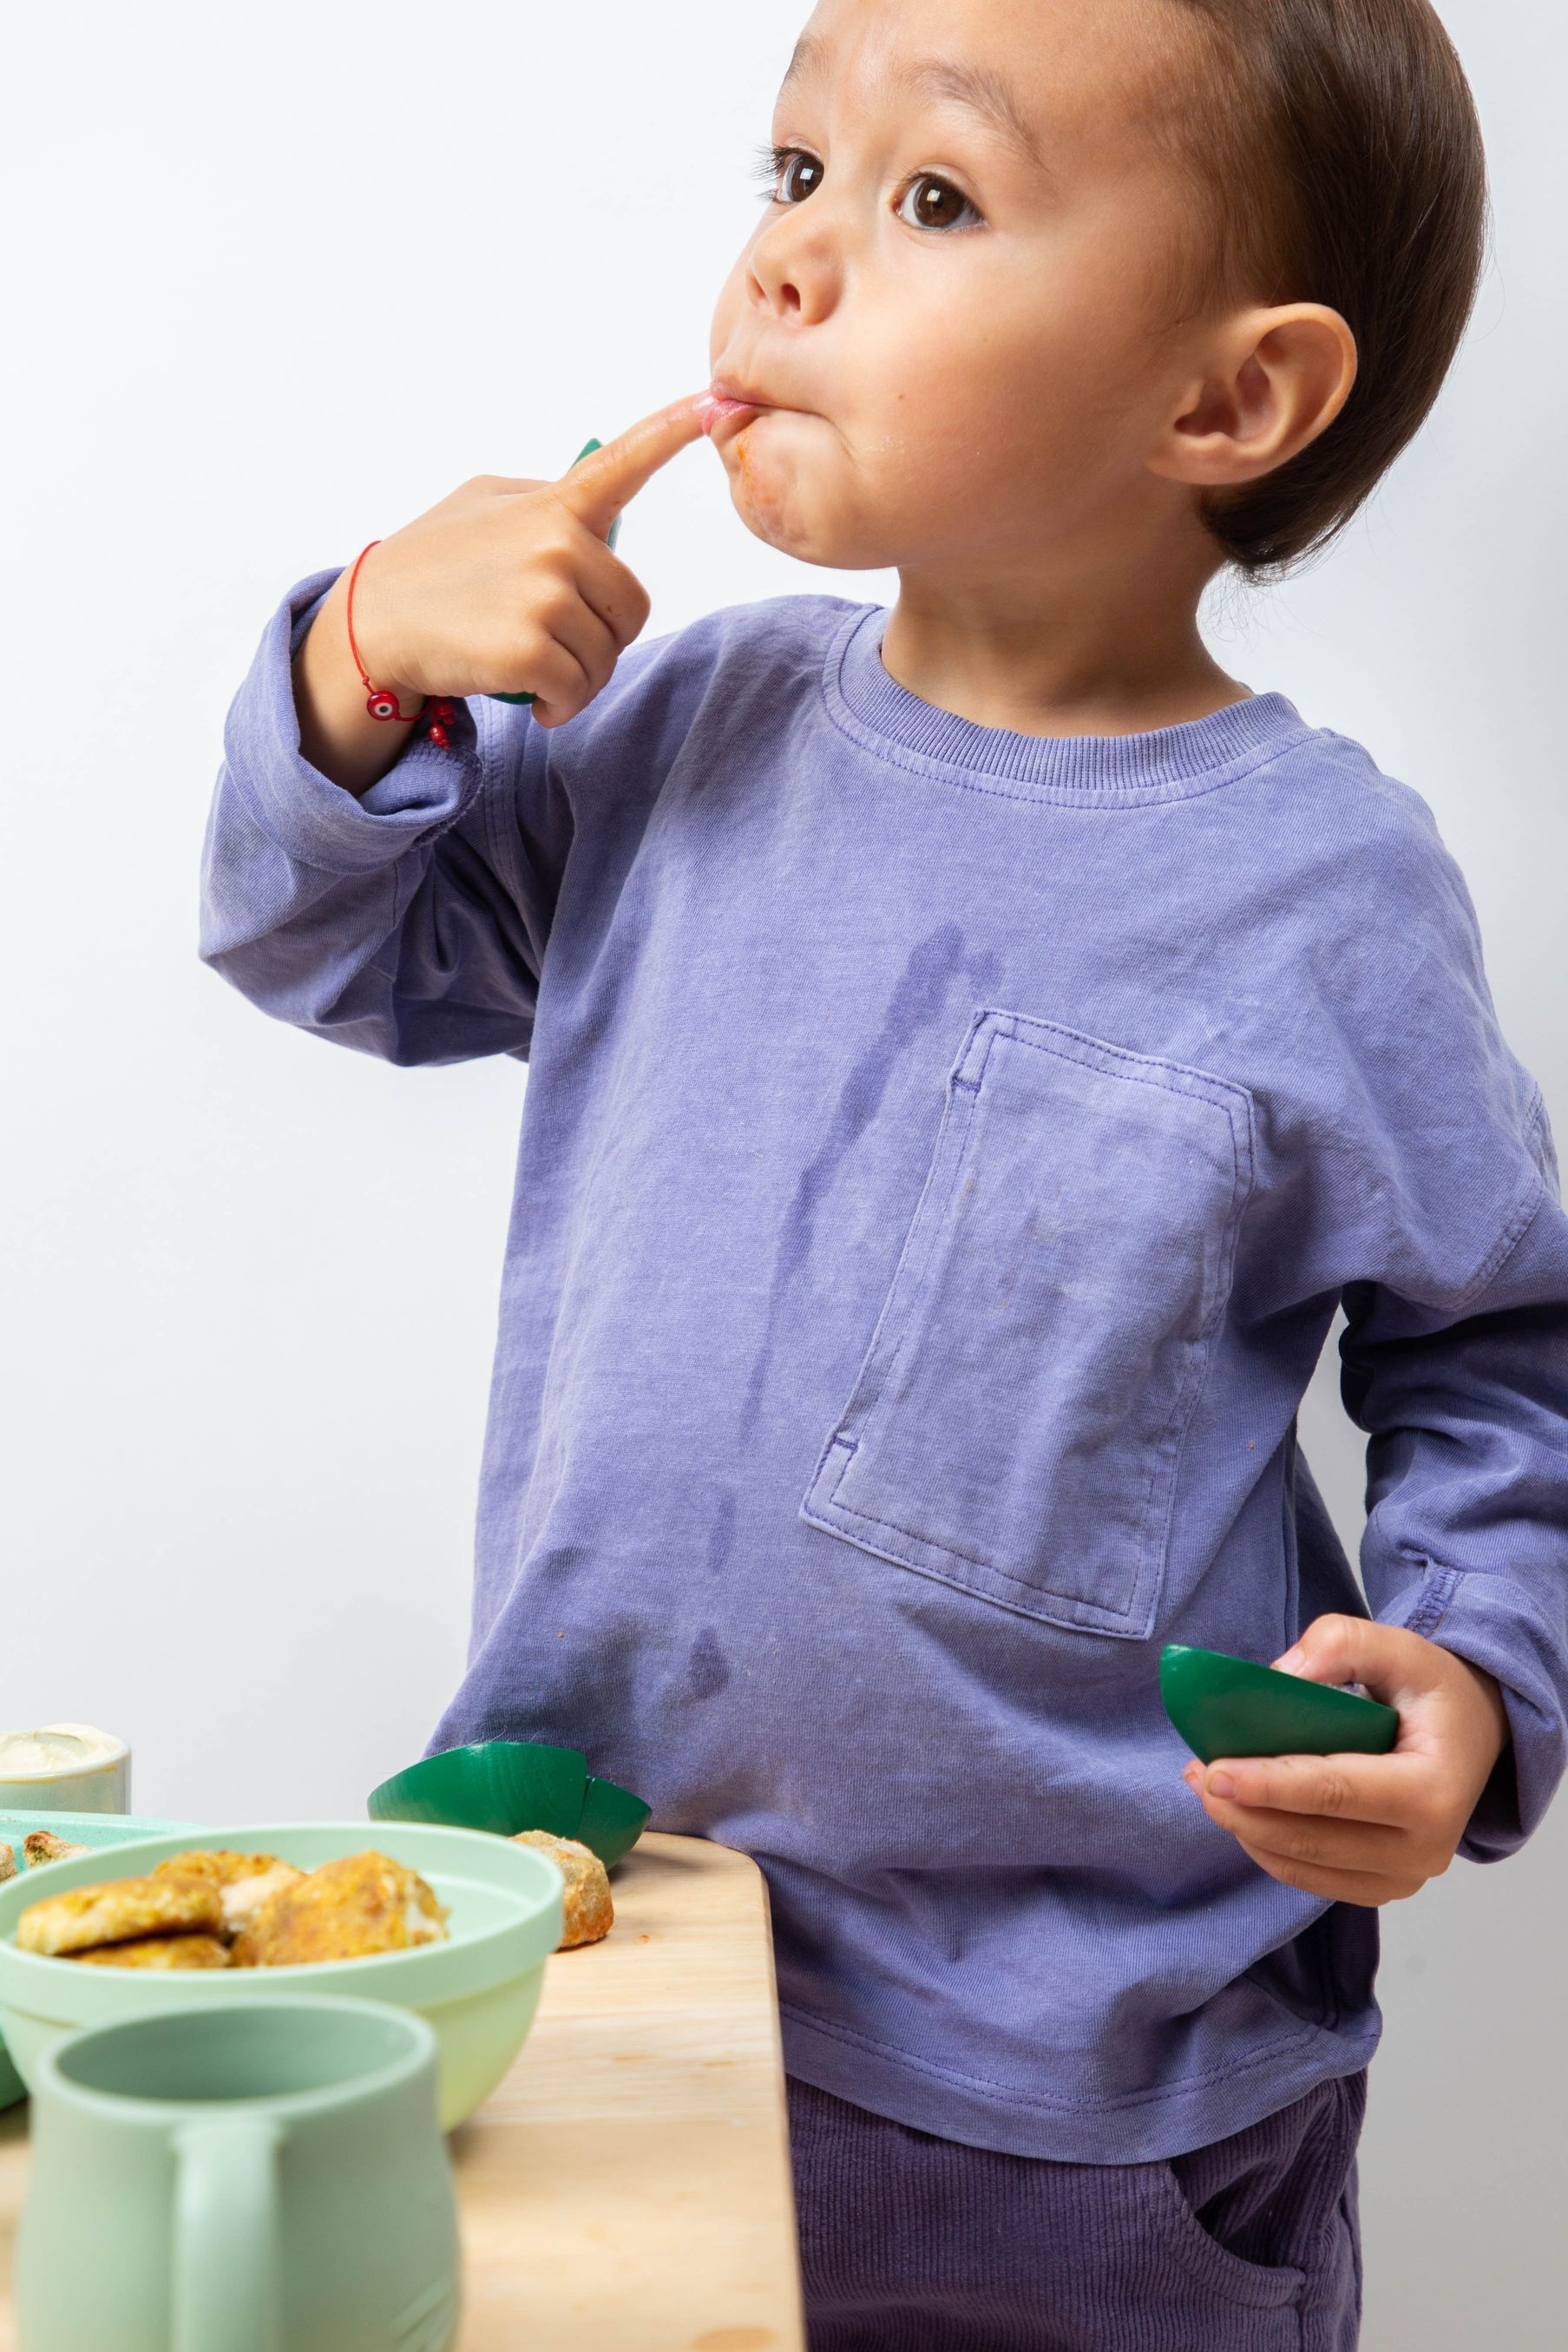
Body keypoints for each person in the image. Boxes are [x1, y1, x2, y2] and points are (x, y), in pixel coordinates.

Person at [200, 1, 1568, 2342]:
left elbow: (1505, 1356)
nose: (795, 264)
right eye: (790, 174)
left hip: (1093, 2104)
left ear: (1224, 402)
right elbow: (331, 942)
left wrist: (1468, 1667)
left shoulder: (1320, 893)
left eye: (930, 198)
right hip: (604, 1942)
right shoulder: (674, 727)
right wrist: (361, 660)